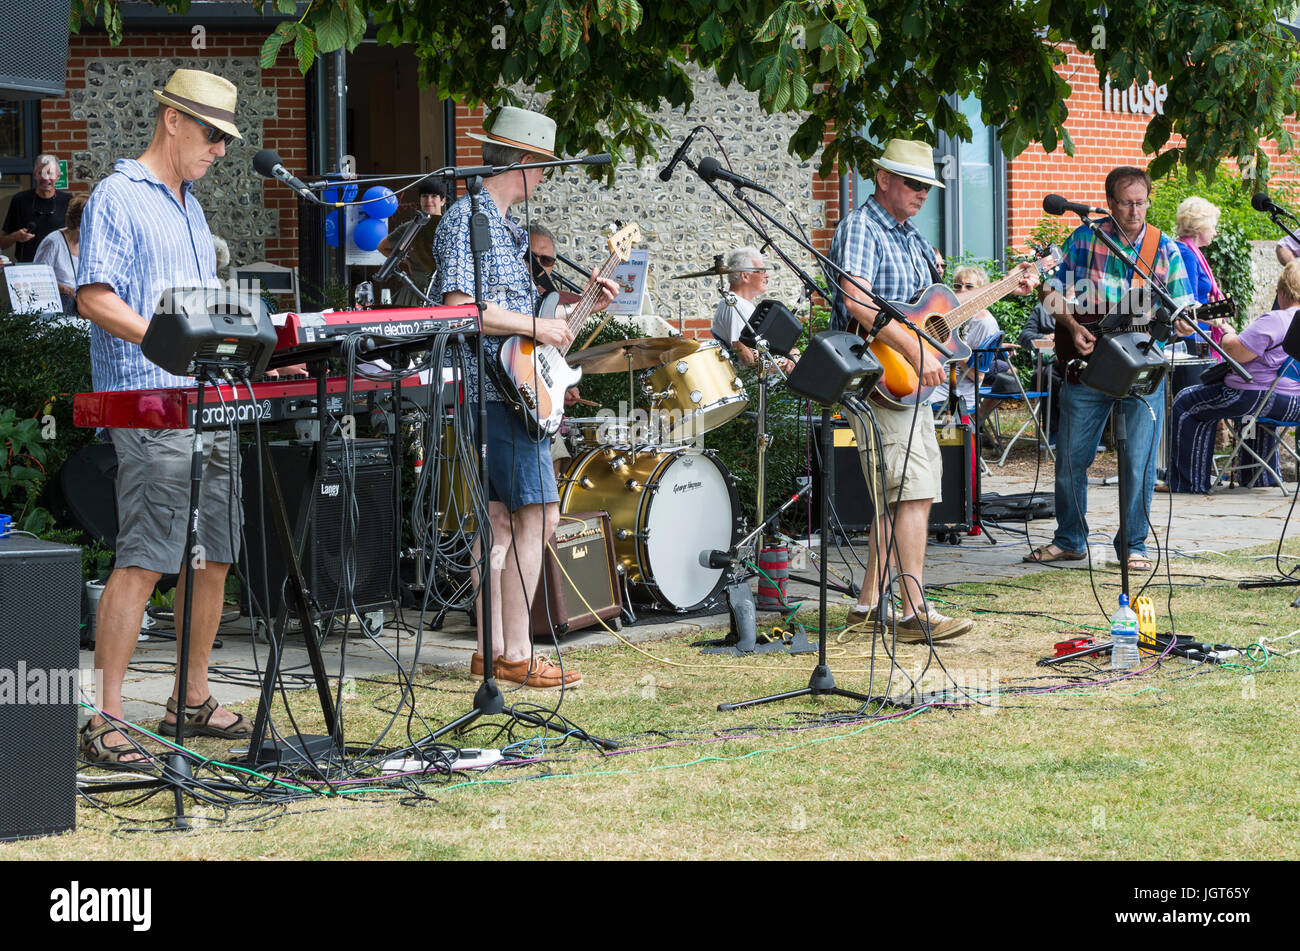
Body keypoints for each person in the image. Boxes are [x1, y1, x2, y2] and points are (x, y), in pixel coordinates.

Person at [75, 68, 249, 767]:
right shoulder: (118, 196)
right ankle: (104, 716)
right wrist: (163, 342)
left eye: (227, 140)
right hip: (147, 403)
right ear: (173, 119)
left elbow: (202, 313)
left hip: (207, 403)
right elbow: (93, 296)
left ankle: (191, 697)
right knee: (145, 558)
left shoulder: (192, 208)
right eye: (212, 134)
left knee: (216, 555)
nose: (220, 150)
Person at [433, 106, 616, 688]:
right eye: (546, 169)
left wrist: (573, 307)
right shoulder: (470, 219)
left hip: (505, 390)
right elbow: (460, 308)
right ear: (529, 163)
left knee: (501, 524)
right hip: (499, 395)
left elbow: (517, 316)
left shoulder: (506, 227)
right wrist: (540, 329)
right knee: (537, 516)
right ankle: (515, 649)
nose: (545, 180)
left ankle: (495, 649)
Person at [830, 138, 1036, 639]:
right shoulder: (862, 226)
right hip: (884, 376)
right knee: (913, 492)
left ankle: (868, 606)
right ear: (882, 179)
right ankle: (914, 612)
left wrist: (1007, 286)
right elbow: (855, 301)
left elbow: (938, 315)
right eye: (914, 184)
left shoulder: (910, 236)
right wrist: (917, 350)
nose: (923, 194)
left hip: (913, 386)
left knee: (900, 495)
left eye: (928, 186)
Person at [1026, 166, 1196, 570]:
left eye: (1141, 202)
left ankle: (1134, 544)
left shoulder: (1165, 248)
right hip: (1087, 364)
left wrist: (1183, 322)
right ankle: (1070, 538)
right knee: (1071, 457)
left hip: (1141, 369)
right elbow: (1047, 288)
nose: (1135, 211)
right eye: (1126, 203)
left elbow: (1184, 312)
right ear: (1109, 203)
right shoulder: (1085, 238)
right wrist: (1070, 325)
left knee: (1139, 460)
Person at [1167, 263, 1300, 493]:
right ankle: (1259, 479)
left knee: (1187, 402)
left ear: (1281, 293)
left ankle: (1188, 483)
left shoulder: (1276, 320)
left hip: (1255, 398)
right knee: (1252, 418)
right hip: (1294, 404)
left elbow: (1236, 352)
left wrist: (1227, 333)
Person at [928, 264, 1002, 422]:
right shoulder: (951, 315)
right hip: (934, 378)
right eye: (957, 286)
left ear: (981, 291)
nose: (962, 291)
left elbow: (978, 377)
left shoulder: (985, 323)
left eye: (969, 287)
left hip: (956, 389)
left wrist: (952, 345)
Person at [711, 246, 795, 373]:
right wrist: (786, 362)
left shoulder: (743, 305)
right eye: (761, 270)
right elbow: (747, 358)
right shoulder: (734, 305)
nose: (767, 275)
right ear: (745, 276)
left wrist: (791, 354)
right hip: (754, 389)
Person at [0, 154, 72, 264]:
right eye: (41, 173)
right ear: (35, 175)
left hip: (59, 269)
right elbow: (2, 243)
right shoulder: (20, 200)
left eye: (50, 173)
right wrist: (15, 237)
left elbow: (78, 239)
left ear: (58, 176)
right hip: (28, 268)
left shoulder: (68, 202)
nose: (45, 177)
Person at [33, 194, 87, 313]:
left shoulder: (88, 243)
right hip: (58, 307)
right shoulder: (53, 242)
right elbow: (37, 280)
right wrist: (68, 290)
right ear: (78, 223)